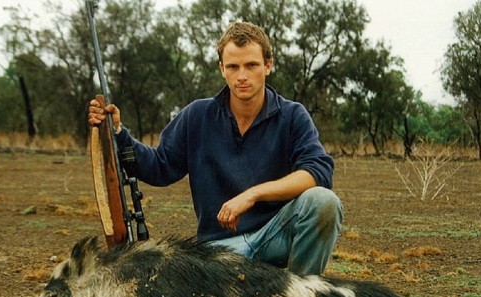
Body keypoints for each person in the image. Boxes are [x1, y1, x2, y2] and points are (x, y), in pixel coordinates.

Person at [88, 21, 343, 276]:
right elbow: (159, 167)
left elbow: (317, 172)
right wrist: (119, 133)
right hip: (216, 251)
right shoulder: (197, 115)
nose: (242, 75)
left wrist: (251, 195)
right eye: (233, 66)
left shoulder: (293, 115)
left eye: (251, 65)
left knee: (323, 202)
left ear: (267, 66)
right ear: (222, 69)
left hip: (272, 238)